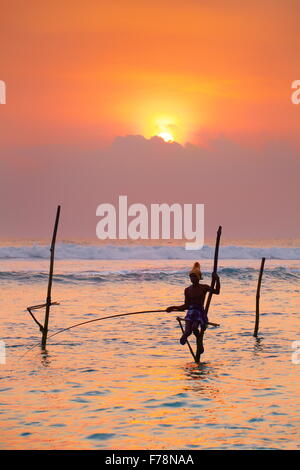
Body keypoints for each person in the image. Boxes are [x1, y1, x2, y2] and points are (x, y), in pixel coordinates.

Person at [166, 262, 220, 357]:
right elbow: (186, 306)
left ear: (199, 277)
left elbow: (217, 292)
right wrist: (172, 307)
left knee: (195, 328)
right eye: (191, 277)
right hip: (190, 312)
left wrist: (217, 279)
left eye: (194, 276)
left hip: (199, 313)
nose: (192, 278)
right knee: (187, 332)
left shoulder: (204, 287)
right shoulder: (187, 290)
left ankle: (199, 343)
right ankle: (190, 339)